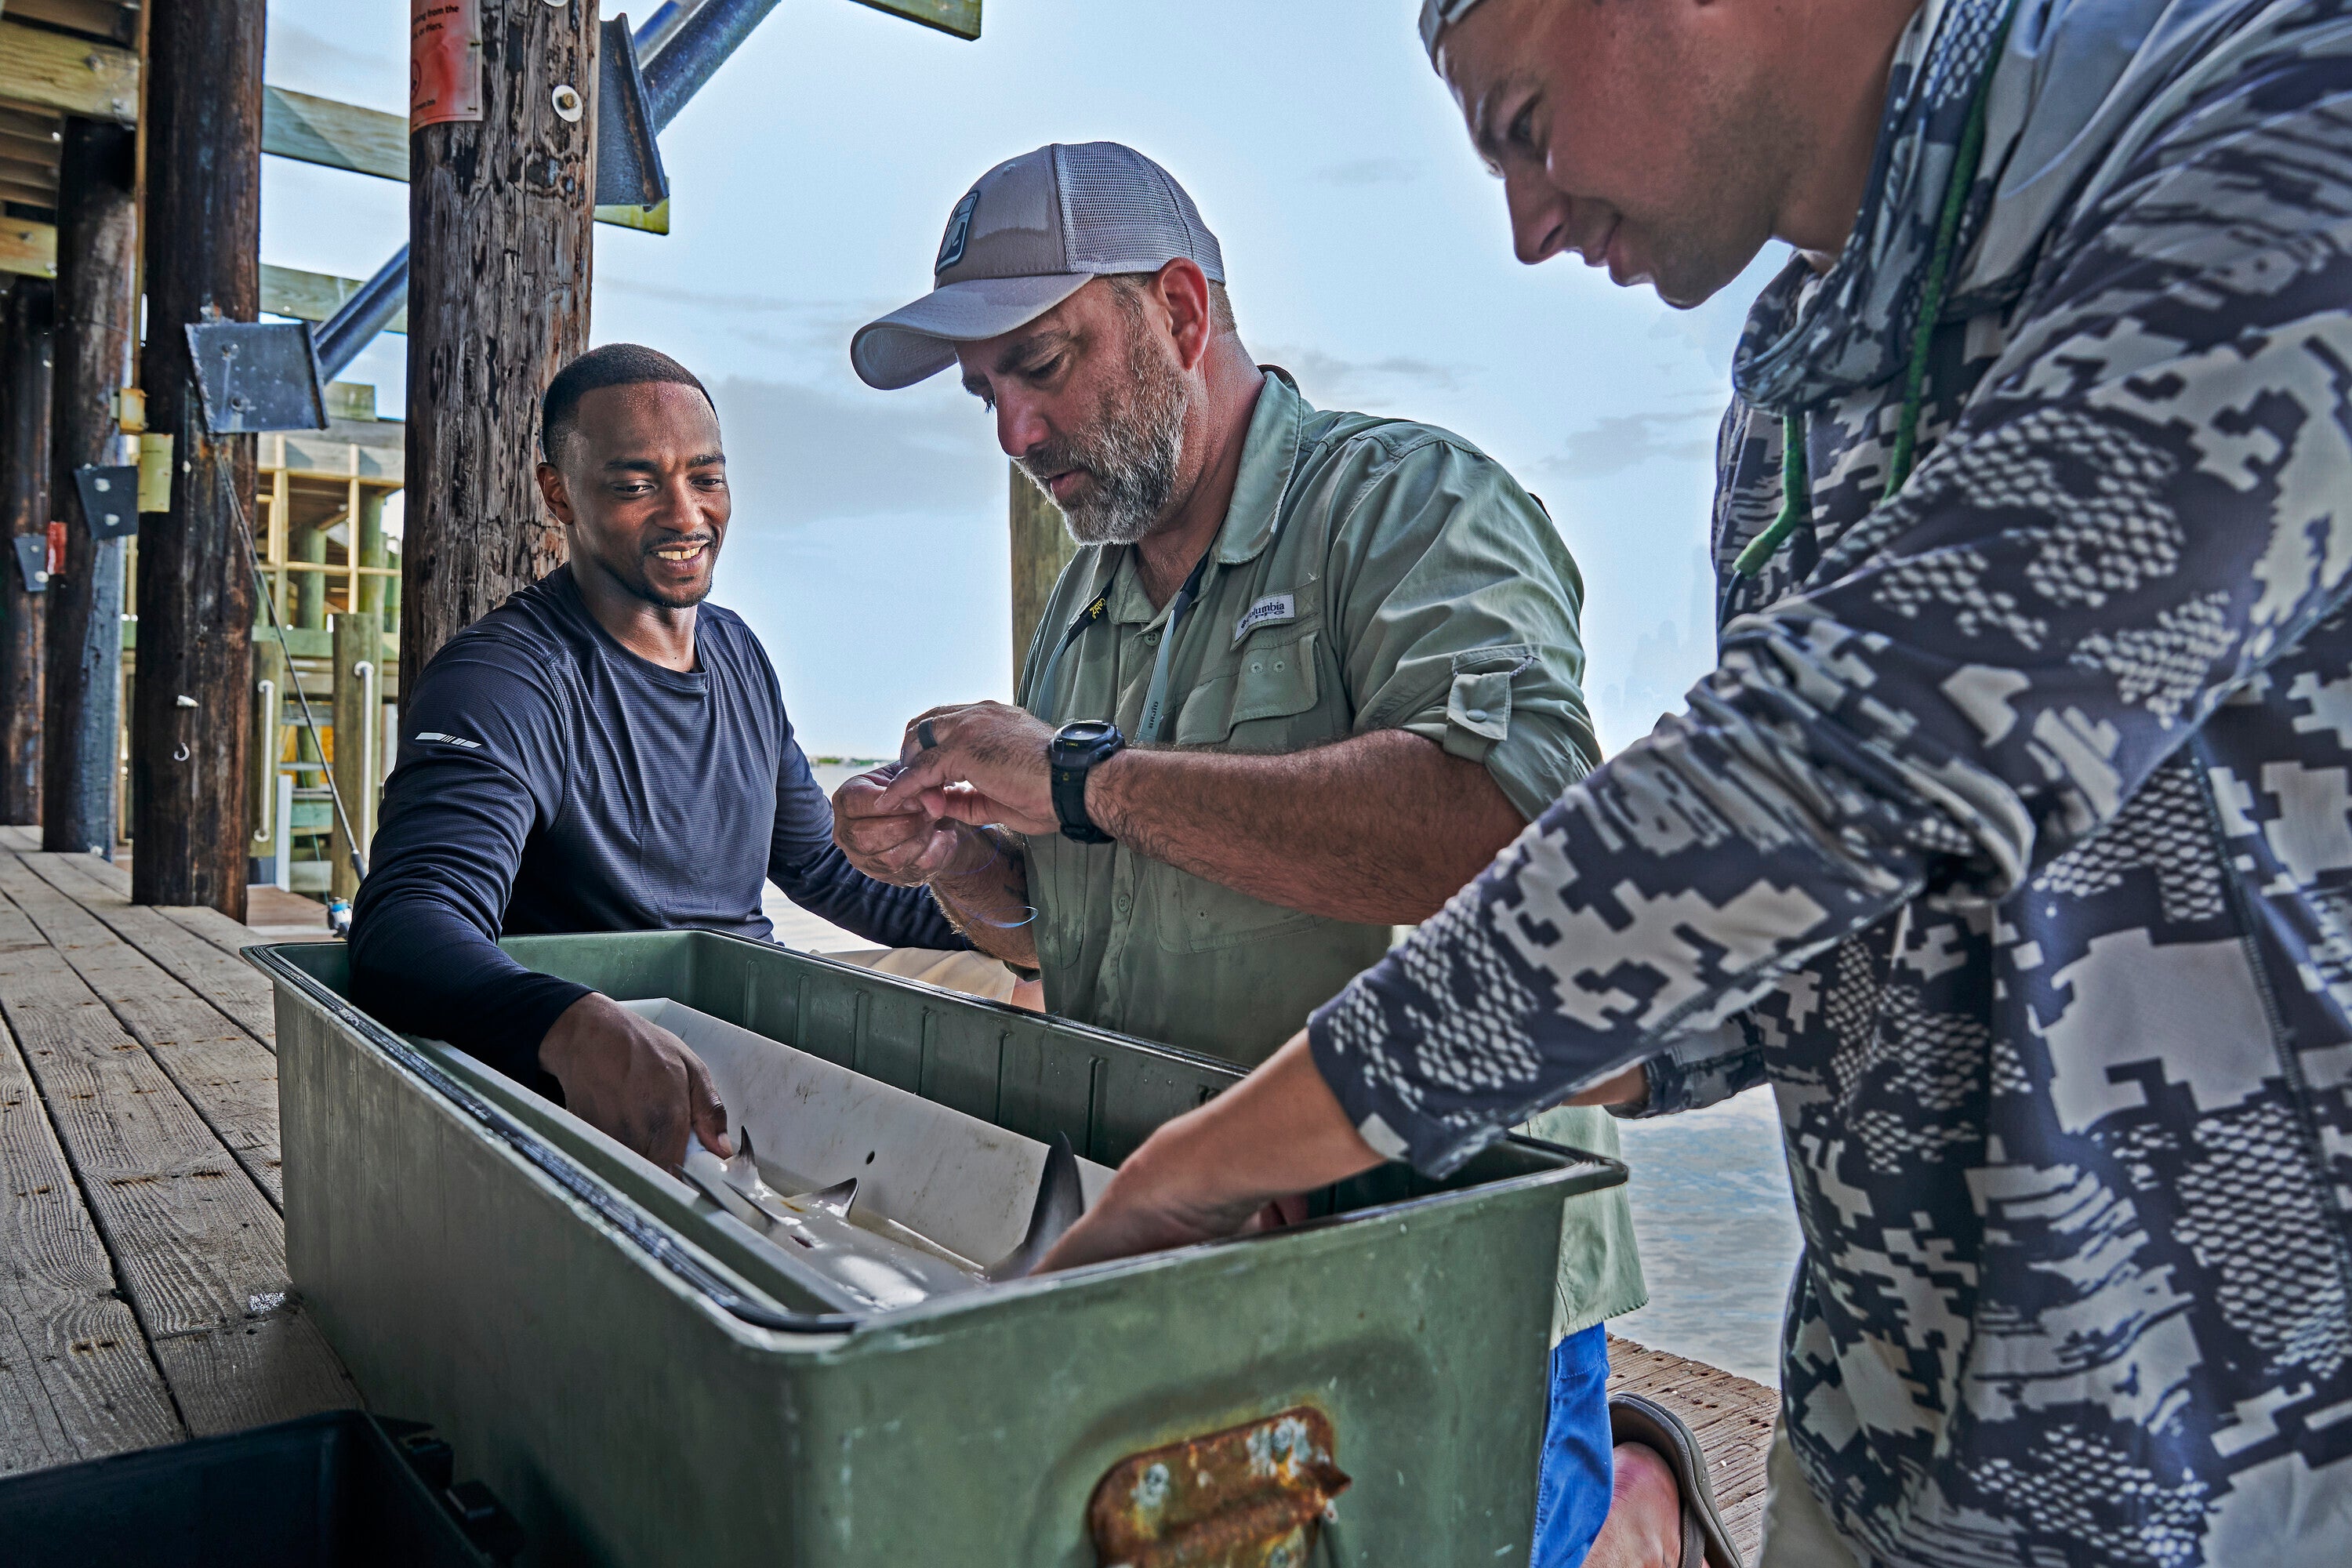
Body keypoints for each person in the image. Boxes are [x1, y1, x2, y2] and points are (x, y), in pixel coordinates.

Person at [1041, 1, 2352, 1566]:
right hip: (1879, 1461)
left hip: (2245, 1491)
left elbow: (1839, 765)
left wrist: (1232, 1150)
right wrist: (1432, 1129)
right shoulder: (1794, 385)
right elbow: (1811, 934)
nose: (1527, 228)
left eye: (1525, 123)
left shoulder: (2266, 111)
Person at [833, 143, 1682, 1568]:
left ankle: (1626, 1508)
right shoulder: (1086, 603)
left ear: (1179, 308)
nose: (1015, 433)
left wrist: (1088, 782)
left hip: (1440, 1289)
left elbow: (1521, 838)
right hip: (1195, 1271)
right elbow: (1083, 927)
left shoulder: (1412, 504)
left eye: (1043, 364)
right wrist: (969, 867)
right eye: (987, 394)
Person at [350, 344, 968, 1170]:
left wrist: (1004, 913)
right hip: (605, 1092)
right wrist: (568, 1022)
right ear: (558, 492)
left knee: (1015, 995)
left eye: (705, 478)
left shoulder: (738, 651)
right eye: (636, 485)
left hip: (756, 1044)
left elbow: (822, 867)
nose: (685, 515)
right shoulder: (504, 679)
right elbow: (406, 924)